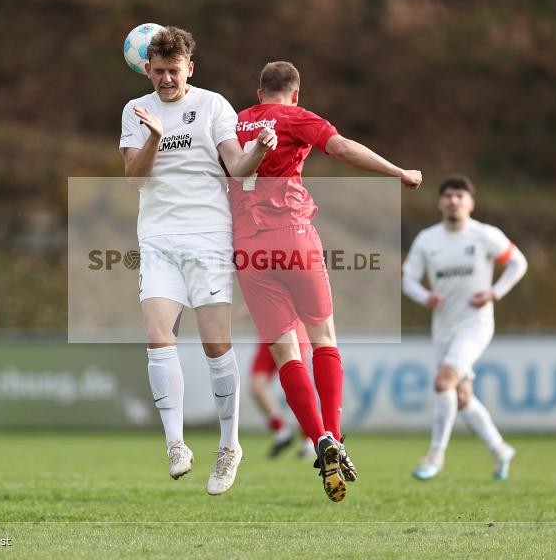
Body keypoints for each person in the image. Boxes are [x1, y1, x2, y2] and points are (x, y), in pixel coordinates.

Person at [231, 60, 422, 502]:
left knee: (284, 353)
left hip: (247, 248)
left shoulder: (233, 121)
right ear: (294, 94)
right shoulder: (297, 117)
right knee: (323, 338)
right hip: (293, 237)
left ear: (259, 93)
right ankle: (334, 433)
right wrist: (398, 173)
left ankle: (317, 437)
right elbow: (342, 147)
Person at [119, 26, 276, 495]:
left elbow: (237, 166)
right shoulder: (135, 111)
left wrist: (260, 151)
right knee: (157, 334)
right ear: (146, 68)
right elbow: (132, 178)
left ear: (190, 67)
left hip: (208, 235)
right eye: (159, 71)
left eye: (175, 70)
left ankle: (229, 447)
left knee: (214, 344)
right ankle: (176, 444)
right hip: (159, 237)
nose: (167, 79)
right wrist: (154, 138)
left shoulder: (213, 105)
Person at [402, 175, 527, 481]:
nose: (454, 201)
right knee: (462, 397)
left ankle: (435, 455)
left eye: (460, 196)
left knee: (443, 381)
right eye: (448, 196)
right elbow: (408, 279)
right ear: (439, 202)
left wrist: (494, 293)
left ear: (471, 203)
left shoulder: (484, 235)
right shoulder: (427, 240)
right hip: (443, 326)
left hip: (476, 324)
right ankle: (500, 450)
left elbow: (518, 263)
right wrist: (424, 296)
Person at [249, 322, 315, 459]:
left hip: (292, 335)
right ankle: (282, 432)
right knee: (256, 388)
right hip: (267, 337)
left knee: (298, 389)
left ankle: (310, 439)